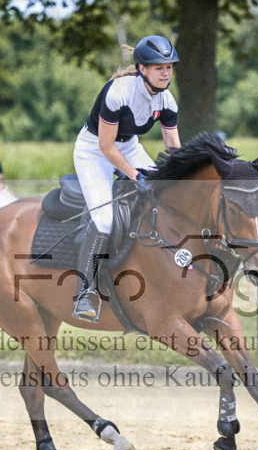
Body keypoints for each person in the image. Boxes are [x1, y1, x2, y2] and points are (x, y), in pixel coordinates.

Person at [70, 34, 182, 321]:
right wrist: (136, 177)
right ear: (142, 68)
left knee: (163, 201)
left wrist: (183, 178)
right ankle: (85, 292)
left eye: (169, 67)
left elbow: (173, 148)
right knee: (104, 220)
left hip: (130, 147)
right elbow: (106, 147)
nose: (166, 72)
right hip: (93, 151)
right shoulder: (118, 92)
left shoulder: (167, 100)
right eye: (159, 67)